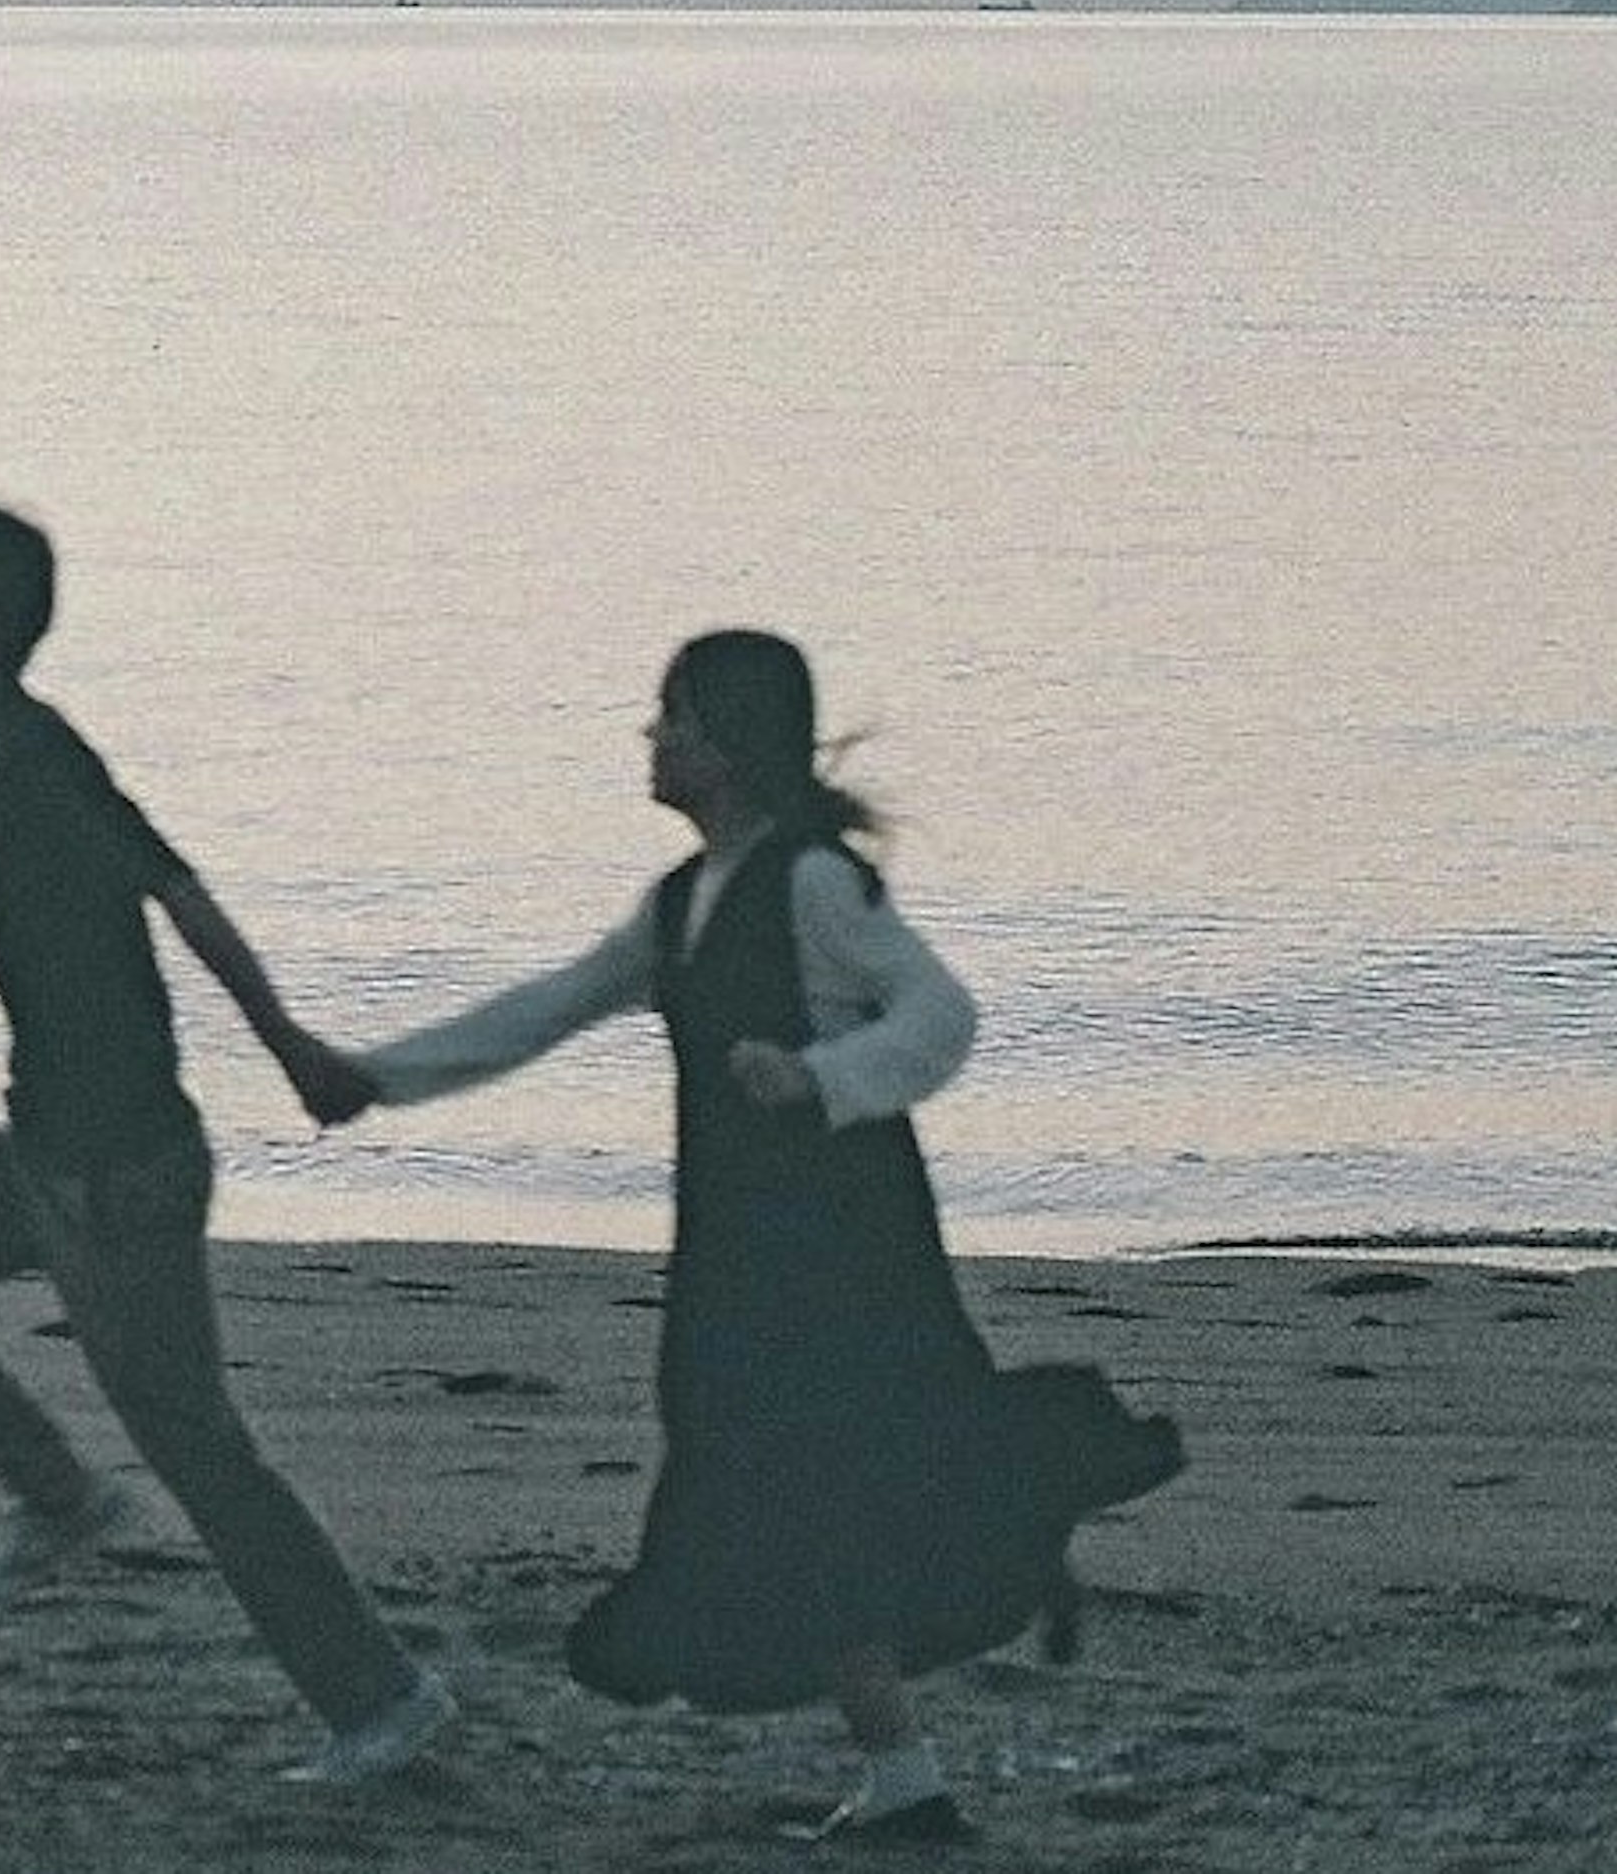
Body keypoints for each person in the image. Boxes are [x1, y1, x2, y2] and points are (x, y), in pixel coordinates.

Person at [338, 631, 1181, 1847]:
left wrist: (820, 1074)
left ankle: (910, 1768)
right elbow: (552, 1007)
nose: (652, 741)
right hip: (735, 1243)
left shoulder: (813, 883)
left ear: (729, 743)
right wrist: (375, 1079)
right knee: (771, 1482)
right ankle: (907, 1771)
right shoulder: (680, 904)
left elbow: (941, 1018)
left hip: (847, 1238)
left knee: (820, 1483)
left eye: (672, 719)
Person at [0, 499, 457, 1788]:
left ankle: (382, 1700)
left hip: (116, 1176)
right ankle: (59, 1495)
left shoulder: (33, 762)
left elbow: (179, 892)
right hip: (45, 1155)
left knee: (202, 1452)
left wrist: (290, 1049)